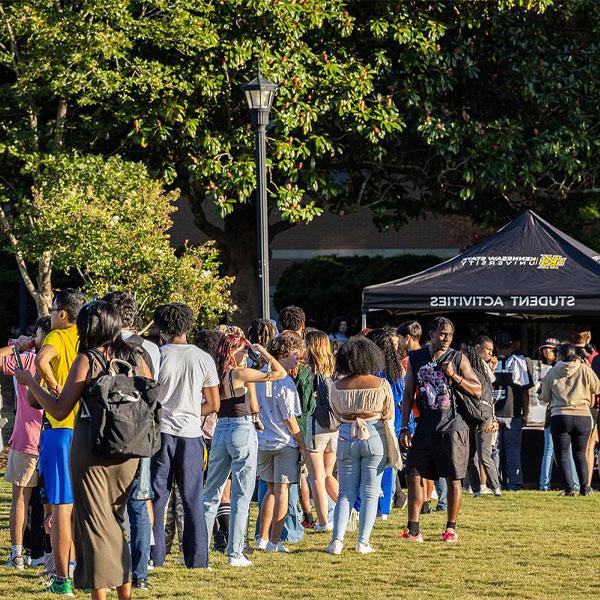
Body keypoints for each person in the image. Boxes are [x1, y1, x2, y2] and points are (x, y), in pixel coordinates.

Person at [16, 300, 153, 599]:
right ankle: (125, 594)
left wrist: (29, 382)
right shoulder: (135, 356)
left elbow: (59, 407)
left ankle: (99, 596)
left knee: (92, 526)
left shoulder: (87, 360)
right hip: (128, 449)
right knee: (115, 523)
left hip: (92, 450)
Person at [203, 333, 287, 567]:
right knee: (241, 494)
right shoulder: (239, 373)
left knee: (211, 493)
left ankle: (200, 552)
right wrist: (264, 352)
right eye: (242, 350)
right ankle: (235, 552)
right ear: (233, 351)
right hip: (241, 428)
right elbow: (280, 373)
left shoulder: (215, 375)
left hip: (220, 430)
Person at [400, 317, 482, 543]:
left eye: (450, 335)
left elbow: (477, 389)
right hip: (425, 425)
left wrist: (453, 376)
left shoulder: (458, 357)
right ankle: (413, 529)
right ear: (432, 334)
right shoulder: (416, 358)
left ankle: (450, 529)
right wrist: (404, 426)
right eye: (442, 334)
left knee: (454, 477)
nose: (446, 339)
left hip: (454, 426)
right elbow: (408, 394)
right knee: (413, 474)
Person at [150, 303, 220, 569]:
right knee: (192, 497)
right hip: (191, 433)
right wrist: (190, 410)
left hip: (162, 432)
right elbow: (213, 403)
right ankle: (197, 558)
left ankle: (154, 555)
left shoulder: (158, 356)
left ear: (163, 329)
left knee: (158, 496)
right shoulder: (203, 358)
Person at [103, 291, 159, 591]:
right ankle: (140, 574)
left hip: (114, 431)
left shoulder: (106, 348)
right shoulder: (150, 349)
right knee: (139, 502)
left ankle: (115, 571)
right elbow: (153, 386)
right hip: (142, 432)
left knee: (112, 505)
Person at [34, 288, 87, 595]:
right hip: (83, 428)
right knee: (81, 506)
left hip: (59, 428)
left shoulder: (56, 336)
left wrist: (54, 386)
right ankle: (81, 570)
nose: (51, 315)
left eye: (53, 310)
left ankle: (61, 579)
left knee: (60, 509)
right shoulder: (86, 337)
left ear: (63, 314)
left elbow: (42, 361)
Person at [326, 336, 398, 555]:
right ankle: (362, 541)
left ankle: (337, 540)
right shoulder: (381, 384)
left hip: (346, 435)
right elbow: (389, 413)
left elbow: (336, 414)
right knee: (370, 492)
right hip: (374, 434)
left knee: (346, 491)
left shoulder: (337, 386)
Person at [2, 317, 50, 569]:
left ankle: (17, 554)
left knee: (20, 498)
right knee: (53, 502)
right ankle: (50, 556)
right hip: (55, 435)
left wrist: (21, 345)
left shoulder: (28, 359)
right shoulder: (66, 360)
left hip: (26, 438)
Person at [255, 333, 306, 553]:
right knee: (282, 490)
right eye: (296, 353)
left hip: (264, 441)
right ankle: (274, 541)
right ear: (284, 354)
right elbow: (290, 418)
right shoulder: (284, 381)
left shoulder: (258, 377)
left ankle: (262, 538)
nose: (299, 358)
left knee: (270, 490)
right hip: (284, 442)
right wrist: (302, 444)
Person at [541, 343, 600, 496]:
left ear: (560, 355)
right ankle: (585, 488)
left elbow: (545, 397)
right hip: (583, 416)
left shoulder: (553, 371)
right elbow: (597, 388)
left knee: (562, 454)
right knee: (580, 453)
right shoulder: (584, 369)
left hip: (560, 416)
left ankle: (569, 489)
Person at [278, 306, 315, 529]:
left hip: (271, 428)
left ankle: (302, 517)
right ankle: (290, 527)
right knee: (292, 479)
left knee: (275, 483)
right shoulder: (302, 368)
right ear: (302, 326)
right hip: (296, 425)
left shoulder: (270, 360)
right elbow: (308, 405)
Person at [367, 327, 405, 520]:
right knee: (388, 461)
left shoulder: (371, 367)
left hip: (375, 415)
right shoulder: (396, 367)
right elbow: (401, 395)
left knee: (372, 462)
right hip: (393, 417)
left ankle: (373, 503)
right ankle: (384, 507)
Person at [303, 330, 339, 531]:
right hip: (334, 425)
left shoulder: (311, 370)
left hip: (316, 424)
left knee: (316, 476)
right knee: (326, 474)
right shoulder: (334, 367)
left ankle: (324, 521)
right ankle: (348, 509)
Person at [491, 331, 532, 491]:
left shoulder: (489, 361)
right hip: (512, 412)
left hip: (494, 413)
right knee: (512, 449)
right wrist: (526, 413)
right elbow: (525, 390)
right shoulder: (519, 361)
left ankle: (495, 483)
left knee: (495, 451)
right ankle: (514, 483)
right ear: (512, 345)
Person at [537, 338, 578, 491]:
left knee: (565, 451)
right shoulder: (542, 368)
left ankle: (573, 484)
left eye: (552, 349)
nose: (547, 351)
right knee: (549, 450)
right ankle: (545, 485)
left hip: (561, 411)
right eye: (545, 348)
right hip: (552, 411)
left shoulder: (560, 369)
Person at [465, 342, 502, 497]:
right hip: (485, 416)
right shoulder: (484, 375)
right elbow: (490, 400)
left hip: (474, 416)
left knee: (471, 456)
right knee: (484, 455)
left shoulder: (468, 373)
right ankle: (495, 488)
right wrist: (492, 418)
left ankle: (477, 490)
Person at [569, 328, 599, 491]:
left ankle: (584, 483)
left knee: (584, 446)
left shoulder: (568, 355)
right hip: (590, 405)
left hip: (582, 405)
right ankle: (585, 484)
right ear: (589, 338)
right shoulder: (594, 357)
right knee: (588, 446)